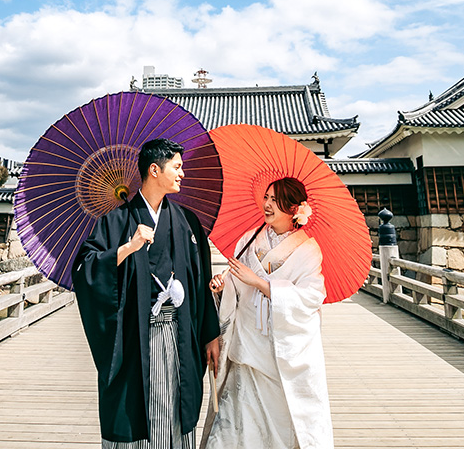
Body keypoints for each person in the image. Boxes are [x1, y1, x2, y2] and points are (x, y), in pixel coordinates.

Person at [74, 138, 222, 449]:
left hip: (180, 334)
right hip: (136, 337)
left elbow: (200, 281)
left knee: (176, 409)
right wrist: (127, 247)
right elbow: (85, 270)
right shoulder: (115, 222)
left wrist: (211, 335)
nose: (183, 174)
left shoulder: (187, 222)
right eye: (177, 167)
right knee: (141, 411)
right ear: (154, 170)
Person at [203, 177, 333, 449]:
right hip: (247, 344)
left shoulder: (308, 251)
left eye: (276, 200)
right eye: (266, 197)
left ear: (295, 208)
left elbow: (312, 297)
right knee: (233, 425)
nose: (268, 204)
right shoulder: (249, 240)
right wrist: (222, 286)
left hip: (279, 351)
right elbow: (237, 287)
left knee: (277, 427)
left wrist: (261, 283)